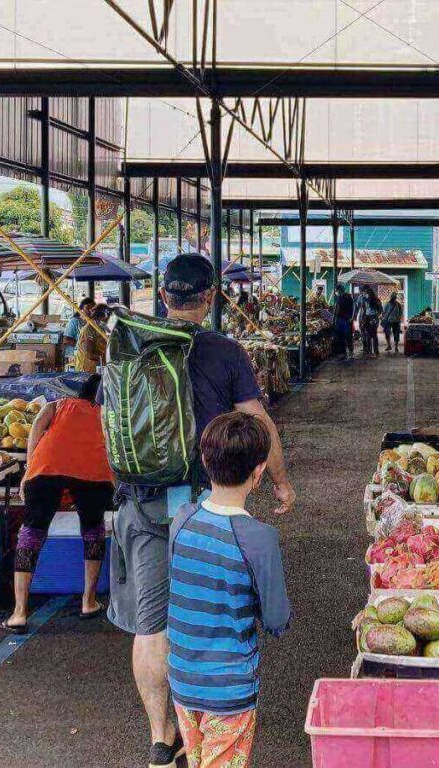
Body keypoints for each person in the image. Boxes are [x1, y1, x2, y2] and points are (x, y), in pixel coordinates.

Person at [109, 253, 295, 768]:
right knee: (207, 610)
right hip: (200, 500)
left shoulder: (131, 347)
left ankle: (161, 736)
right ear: (210, 297)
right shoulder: (224, 351)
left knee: (152, 623)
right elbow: (260, 424)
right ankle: (214, 717)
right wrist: (279, 481)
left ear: (164, 296)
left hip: (142, 498)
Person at [168, 412, 290, 768]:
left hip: (182, 678)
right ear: (259, 472)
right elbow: (277, 618)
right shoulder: (259, 539)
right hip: (229, 687)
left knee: (197, 759)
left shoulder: (182, 519)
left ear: (205, 461)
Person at [2, 375, 113, 634]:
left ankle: (19, 613)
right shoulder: (109, 413)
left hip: (46, 467)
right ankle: (89, 601)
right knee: (93, 530)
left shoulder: (57, 404)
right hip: (93, 472)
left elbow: (36, 430)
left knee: (31, 533)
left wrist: (29, 471)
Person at [73, 303, 110, 374]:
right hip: (86, 370)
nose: (107, 321)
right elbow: (89, 355)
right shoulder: (89, 329)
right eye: (106, 319)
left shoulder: (100, 329)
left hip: (97, 368)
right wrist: (108, 358)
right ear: (99, 318)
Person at [63, 297, 95, 364]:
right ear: (81, 309)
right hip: (75, 355)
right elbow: (66, 340)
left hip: (88, 355)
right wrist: (81, 346)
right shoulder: (74, 321)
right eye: (87, 308)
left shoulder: (93, 323)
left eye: (92, 309)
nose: (90, 311)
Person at [356, 285, 382, 359]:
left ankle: (376, 351)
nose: (366, 294)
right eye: (365, 293)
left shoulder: (376, 300)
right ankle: (369, 351)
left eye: (367, 293)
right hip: (367, 318)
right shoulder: (364, 299)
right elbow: (363, 310)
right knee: (368, 335)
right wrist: (363, 320)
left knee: (374, 335)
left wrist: (376, 317)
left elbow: (380, 310)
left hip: (374, 318)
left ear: (370, 293)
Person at [332, 282, 355, 360]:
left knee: (347, 335)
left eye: (337, 291)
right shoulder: (338, 298)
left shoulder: (347, 297)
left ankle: (350, 351)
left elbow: (352, 308)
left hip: (345, 319)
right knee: (340, 336)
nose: (336, 292)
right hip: (340, 319)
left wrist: (351, 317)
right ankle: (343, 353)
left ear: (340, 290)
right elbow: (336, 308)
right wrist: (334, 318)